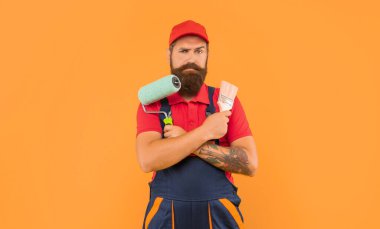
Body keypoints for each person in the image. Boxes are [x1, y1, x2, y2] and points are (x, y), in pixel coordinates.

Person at [136, 20, 258, 229]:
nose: (191, 59)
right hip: (165, 215)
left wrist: (186, 139)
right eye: (183, 51)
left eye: (199, 51)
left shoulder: (225, 101)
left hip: (220, 214)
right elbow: (147, 160)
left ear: (207, 55)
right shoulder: (153, 105)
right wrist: (205, 131)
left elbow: (250, 164)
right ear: (169, 55)